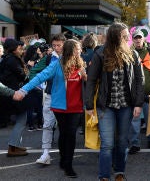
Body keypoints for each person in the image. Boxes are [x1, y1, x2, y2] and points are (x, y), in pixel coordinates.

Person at [85, 22, 144, 181]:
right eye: (124, 35)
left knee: (122, 142)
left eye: (127, 35)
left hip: (126, 106)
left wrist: (138, 103)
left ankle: (119, 173)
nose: (128, 38)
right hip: (106, 106)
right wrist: (89, 105)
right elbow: (91, 80)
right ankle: (104, 176)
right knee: (107, 144)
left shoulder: (133, 54)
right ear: (115, 36)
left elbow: (139, 80)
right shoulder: (100, 54)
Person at [19, 39, 86, 178]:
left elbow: (89, 81)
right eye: (77, 49)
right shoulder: (56, 65)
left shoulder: (81, 64)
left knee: (71, 135)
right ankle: (64, 158)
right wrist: (23, 90)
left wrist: (86, 77)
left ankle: (68, 165)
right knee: (64, 134)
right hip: (60, 106)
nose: (80, 51)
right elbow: (39, 77)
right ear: (70, 51)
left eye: (80, 49)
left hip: (76, 106)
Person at [33, 33, 66, 165]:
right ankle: (45, 152)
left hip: (64, 96)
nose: (56, 48)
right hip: (50, 94)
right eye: (54, 45)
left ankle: (65, 153)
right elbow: (36, 72)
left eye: (59, 45)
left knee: (64, 126)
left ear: (64, 45)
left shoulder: (71, 58)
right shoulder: (48, 58)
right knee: (47, 124)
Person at [128, 29, 150, 153]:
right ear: (133, 39)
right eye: (135, 38)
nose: (137, 40)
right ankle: (135, 143)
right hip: (134, 92)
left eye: (139, 37)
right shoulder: (129, 52)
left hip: (149, 91)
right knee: (135, 118)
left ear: (144, 39)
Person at [0, 38, 30, 157]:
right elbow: (23, 76)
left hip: (9, 94)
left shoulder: (6, 59)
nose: (21, 49)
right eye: (19, 47)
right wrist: (29, 67)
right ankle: (13, 147)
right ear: (13, 49)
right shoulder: (13, 60)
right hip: (14, 94)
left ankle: (15, 145)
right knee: (22, 119)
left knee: (20, 119)